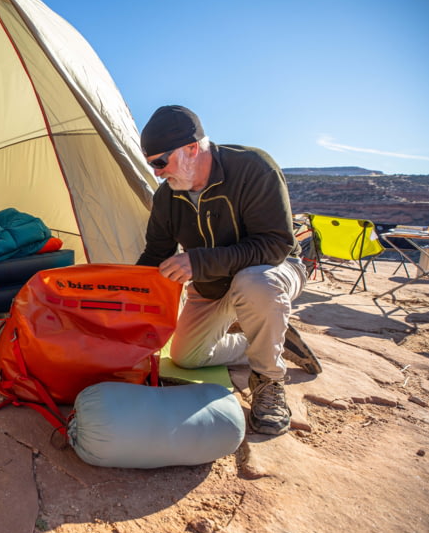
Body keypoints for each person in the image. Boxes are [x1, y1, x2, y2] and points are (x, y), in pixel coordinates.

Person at [136, 105, 322, 436]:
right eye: (151, 165)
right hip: (212, 285)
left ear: (192, 148)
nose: (157, 173)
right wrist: (126, 296)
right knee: (187, 357)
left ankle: (268, 381)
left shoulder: (253, 168)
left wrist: (199, 262)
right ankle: (269, 337)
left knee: (254, 281)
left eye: (160, 162)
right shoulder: (167, 198)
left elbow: (275, 244)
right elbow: (155, 255)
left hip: (274, 270)